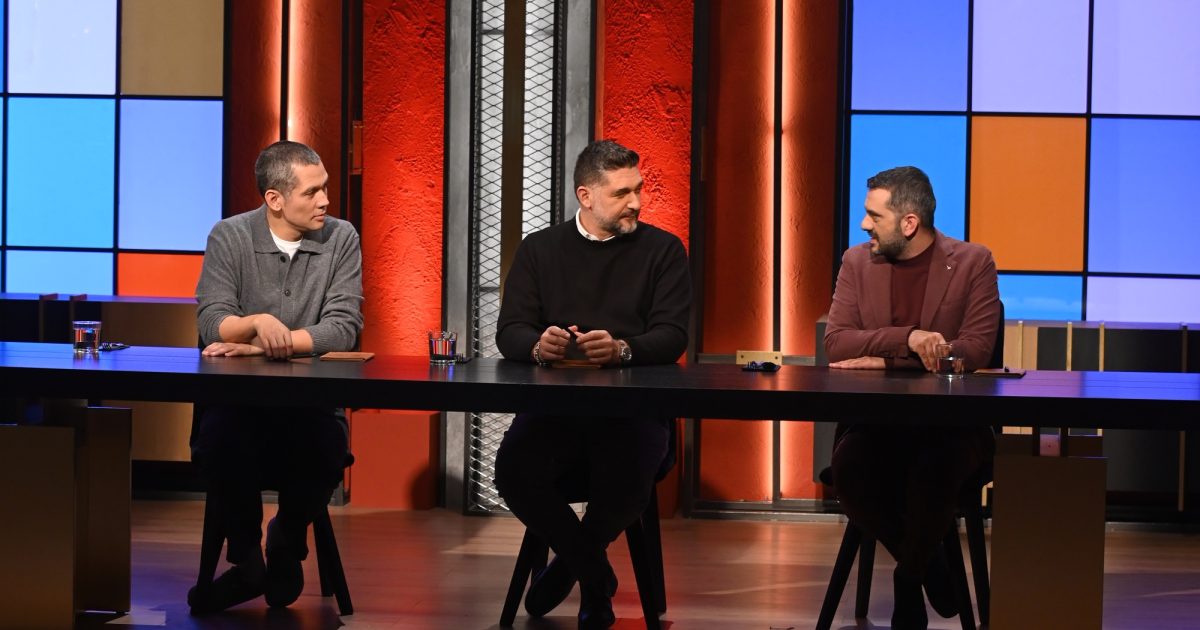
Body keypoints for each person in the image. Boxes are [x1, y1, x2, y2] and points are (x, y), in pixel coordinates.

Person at [492, 139, 691, 628]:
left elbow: (673, 335)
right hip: (555, 411)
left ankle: (574, 571)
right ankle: (594, 572)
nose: (637, 202)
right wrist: (540, 345)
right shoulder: (540, 249)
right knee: (514, 471)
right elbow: (510, 331)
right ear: (585, 195)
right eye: (622, 193)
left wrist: (623, 349)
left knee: (626, 476)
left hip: (633, 413)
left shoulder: (664, 250)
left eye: (638, 189)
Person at [188, 141, 364, 614]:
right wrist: (257, 323)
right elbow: (212, 322)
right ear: (275, 199)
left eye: (324, 188)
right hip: (238, 404)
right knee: (221, 443)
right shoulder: (230, 236)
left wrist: (261, 344)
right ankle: (247, 559)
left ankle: (286, 537)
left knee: (325, 447)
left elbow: (343, 327)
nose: (325, 200)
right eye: (312, 192)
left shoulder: (341, 238)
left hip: (310, 405)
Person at [823, 166, 1000, 630]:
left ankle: (907, 578)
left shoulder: (973, 262)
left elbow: (976, 350)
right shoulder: (856, 262)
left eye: (873, 216)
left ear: (909, 223)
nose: (863, 224)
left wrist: (884, 358)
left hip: (953, 427)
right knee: (850, 469)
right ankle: (925, 567)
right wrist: (908, 340)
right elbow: (837, 344)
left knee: (933, 467)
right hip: (877, 423)